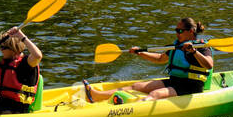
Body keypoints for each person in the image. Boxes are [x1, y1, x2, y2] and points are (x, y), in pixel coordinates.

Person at [83, 17, 214, 104]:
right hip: (174, 81)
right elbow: (160, 59)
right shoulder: (176, 45)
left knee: (155, 93)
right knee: (136, 86)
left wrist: (194, 51)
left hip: (190, 86)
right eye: (176, 30)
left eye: (180, 30)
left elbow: (208, 64)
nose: (177, 33)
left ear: (191, 31)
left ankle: (133, 110)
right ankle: (97, 96)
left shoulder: (201, 46)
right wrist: (140, 53)